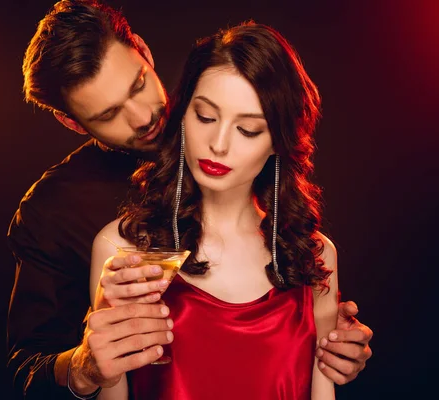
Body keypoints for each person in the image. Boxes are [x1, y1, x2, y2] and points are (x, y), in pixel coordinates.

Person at [7, 1, 373, 398]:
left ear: (144, 53)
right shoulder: (58, 214)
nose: (143, 117)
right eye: (108, 113)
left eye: (138, 84)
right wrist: (83, 367)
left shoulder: (227, 96)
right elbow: (28, 368)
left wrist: (327, 345)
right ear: (72, 123)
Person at [90, 20, 346, 399]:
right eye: (206, 117)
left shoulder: (314, 257)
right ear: (182, 115)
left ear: (279, 142)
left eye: (248, 130)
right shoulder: (122, 252)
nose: (219, 144)